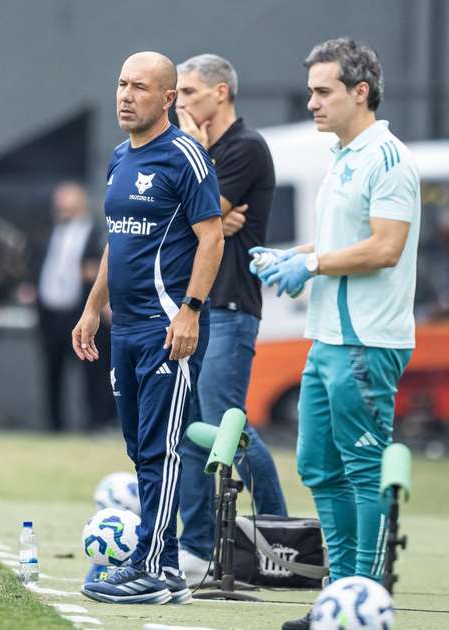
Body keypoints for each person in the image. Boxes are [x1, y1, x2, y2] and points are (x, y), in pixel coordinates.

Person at [254, 39, 420, 630]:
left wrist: (312, 264)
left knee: (363, 470)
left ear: (360, 92)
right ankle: (339, 593)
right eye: (311, 91)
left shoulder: (389, 158)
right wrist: (292, 255)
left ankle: (364, 599)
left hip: (366, 341)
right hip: (327, 338)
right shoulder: (344, 156)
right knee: (318, 466)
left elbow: (385, 247)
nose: (312, 102)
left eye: (323, 91)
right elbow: (339, 242)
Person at [73, 51, 224, 605]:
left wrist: (190, 310)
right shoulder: (119, 158)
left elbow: (212, 237)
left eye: (140, 86)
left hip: (167, 329)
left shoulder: (185, 156)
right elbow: (118, 241)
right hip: (125, 330)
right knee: (140, 449)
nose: (126, 95)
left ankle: (156, 566)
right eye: (121, 84)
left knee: (162, 448)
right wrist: (93, 308)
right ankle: (159, 562)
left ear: (167, 98)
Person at [173, 52, 288, 583]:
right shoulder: (201, 154)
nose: (179, 103)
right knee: (190, 432)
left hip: (230, 306)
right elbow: (181, 219)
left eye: (189, 92)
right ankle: (195, 548)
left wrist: (204, 210)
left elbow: (193, 213)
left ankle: (281, 539)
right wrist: (210, 218)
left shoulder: (244, 146)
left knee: (227, 426)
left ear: (221, 92)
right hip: (196, 308)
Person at [36, 181, 110, 432]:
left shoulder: (97, 232)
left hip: (82, 309)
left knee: (92, 368)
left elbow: (103, 268)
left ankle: (95, 422)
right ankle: (54, 424)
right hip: (50, 310)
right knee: (52, 369)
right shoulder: (49, 232)